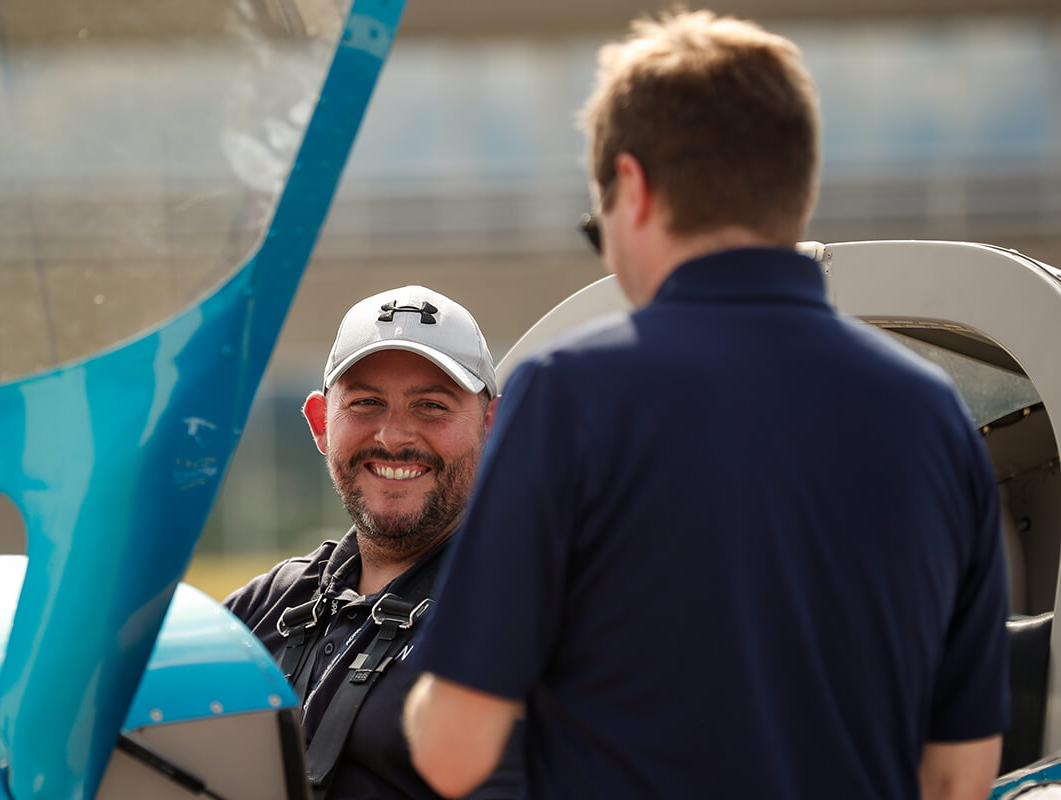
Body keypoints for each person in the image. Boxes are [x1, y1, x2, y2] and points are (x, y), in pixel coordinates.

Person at [404, 10, 1009, 800]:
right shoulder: (934, 415)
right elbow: (961, 777)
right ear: (795, 189)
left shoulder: (566, 393)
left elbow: (454, 752)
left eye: (599, 225)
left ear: (633, 187)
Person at [225, 285, 520, 799]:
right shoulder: (263, 606)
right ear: (321, 424)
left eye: (431, 406)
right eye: (365, 403)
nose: (393, 436)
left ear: (492, 427)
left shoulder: (531, 619)